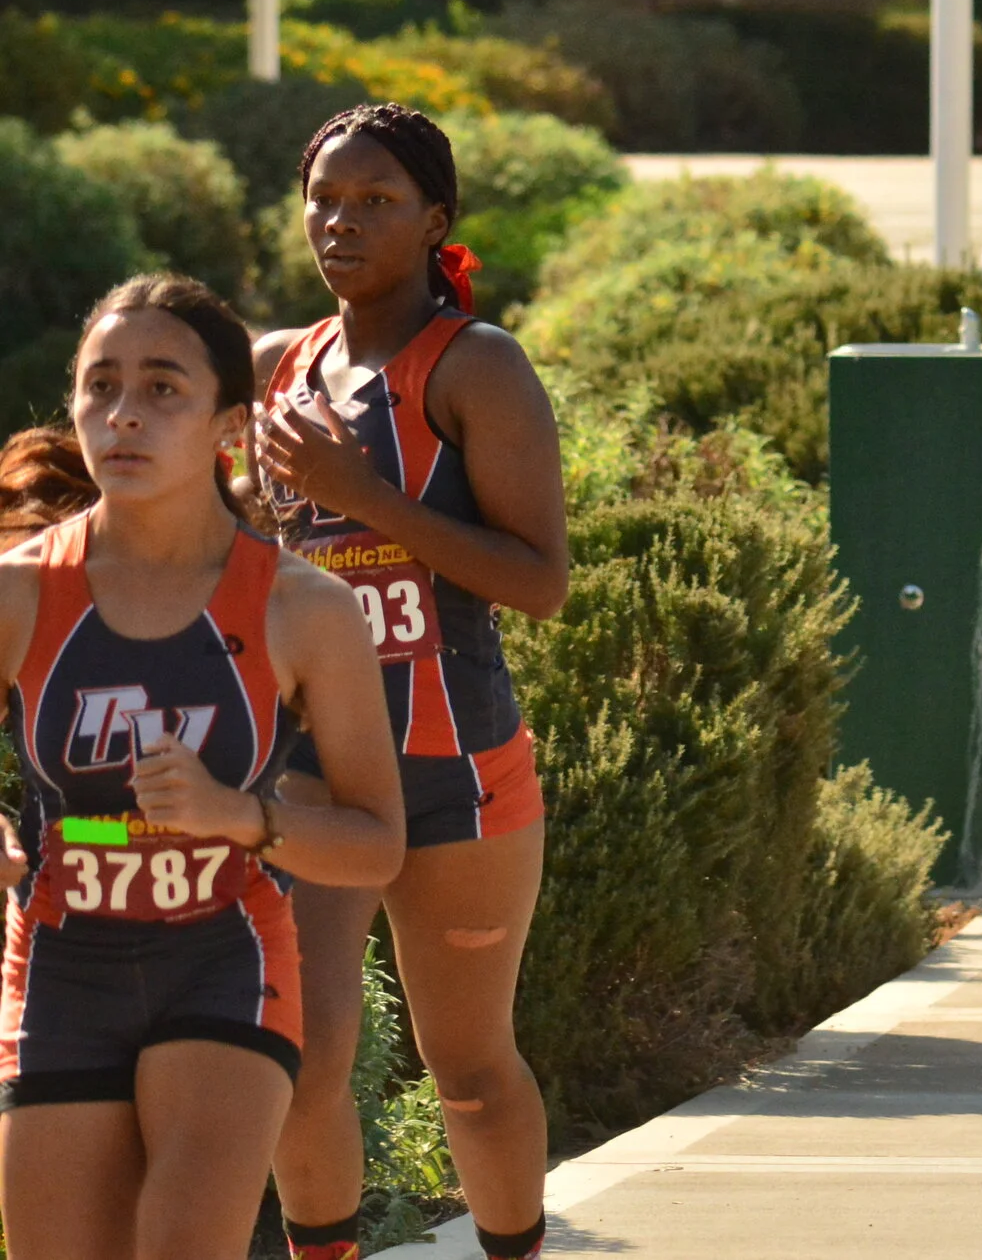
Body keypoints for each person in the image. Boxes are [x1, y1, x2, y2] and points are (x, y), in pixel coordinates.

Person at [0, 274, 404, 1260]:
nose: (125, 414)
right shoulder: (19, 592)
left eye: (163, 387)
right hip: (61, 960)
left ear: (230, 424)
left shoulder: (303, 608)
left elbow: (376, 843)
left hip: (224, 956)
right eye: (101, 386)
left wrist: (241, 814)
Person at [254, 104, 569, 1260]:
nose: (341, 222)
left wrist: (365, 495)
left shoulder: (475, 365)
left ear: (436, 219)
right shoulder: (274, 368)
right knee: (299, 1057)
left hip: (456, 767)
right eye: (325, 200)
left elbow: (540, 580)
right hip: (308, 773)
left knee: (469, 1069)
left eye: (376, 201)